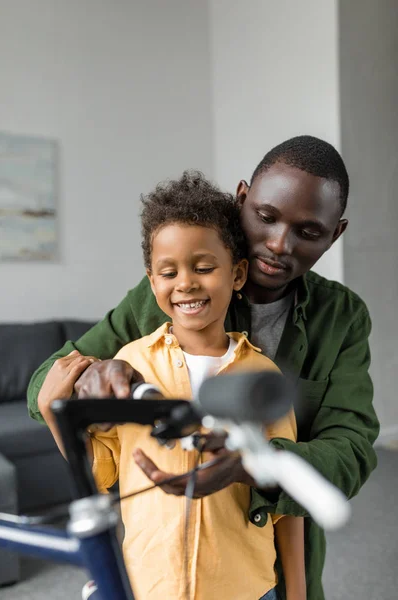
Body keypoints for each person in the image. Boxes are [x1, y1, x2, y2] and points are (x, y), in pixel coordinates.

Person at [29, 135, 380, 600]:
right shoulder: (175, 287)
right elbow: (49, 384)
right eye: (265, 217)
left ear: (335, 234)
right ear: (241, 200)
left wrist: (251, 465)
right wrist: (91, 372)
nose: (278, 244)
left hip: (263, 562)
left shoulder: (342, 317)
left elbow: (351, 450)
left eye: (308, 232)